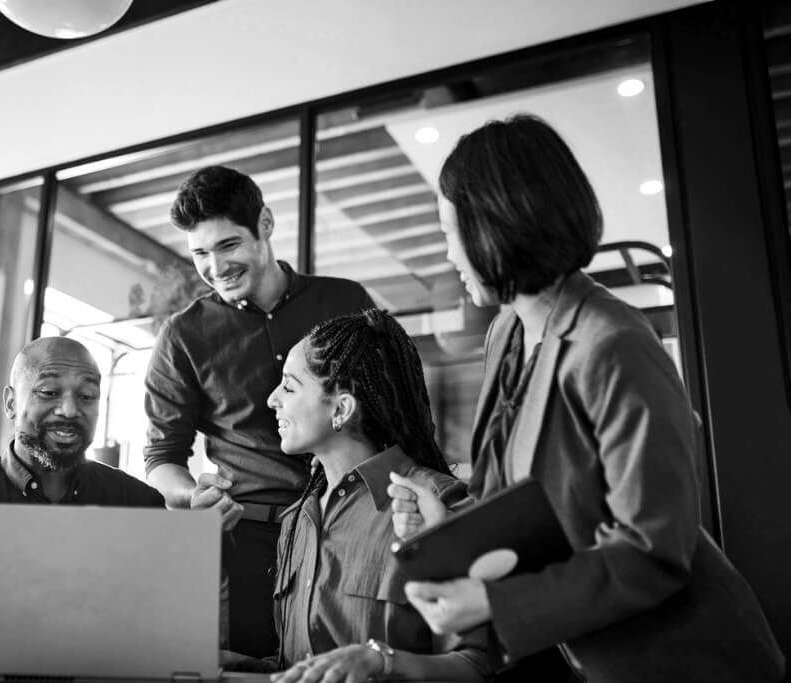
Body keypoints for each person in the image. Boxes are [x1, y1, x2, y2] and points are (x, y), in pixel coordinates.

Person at [388, 114, 785, 682]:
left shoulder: (615, 342)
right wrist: (445, 522)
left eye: (450, 232)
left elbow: (652, 550)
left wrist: (493, 604)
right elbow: (533, 506)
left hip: (684, 660)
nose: (448, 254)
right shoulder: (507, 331)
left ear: (498, 224)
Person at [144, 165, 374, 657]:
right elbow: (161, 457)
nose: (215, 266)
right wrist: (190, 497)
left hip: (353, 527)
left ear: (265, 224)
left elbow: (392, 408)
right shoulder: (183, 337)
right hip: (250, 541)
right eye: (200, 253)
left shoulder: (346, 301)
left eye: (228, 246)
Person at [256, 309, 491, 683]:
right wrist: (225, 665)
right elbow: (298, 666)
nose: (271, 399)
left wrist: (381, 660)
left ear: (342, 409)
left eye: (289, 386)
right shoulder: (297, 520)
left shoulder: (438, 505)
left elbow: (478, 667)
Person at [0, 336, 165, 666]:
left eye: (87, 396)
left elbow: (164, 623)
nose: (70, 410)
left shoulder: (139, 503)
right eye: (49, 392)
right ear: (11, 403)